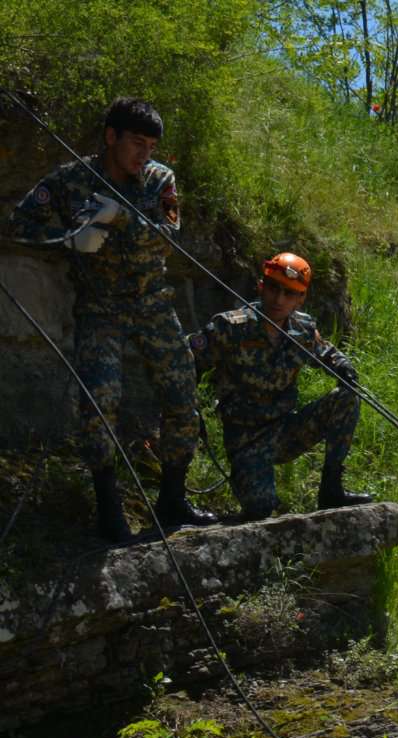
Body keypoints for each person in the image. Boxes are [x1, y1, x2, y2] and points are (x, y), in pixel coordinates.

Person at [8, 96, 214, 541]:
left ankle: (173, 499)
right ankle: (108, 510)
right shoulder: (71, 180)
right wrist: (69, 238)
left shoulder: (160, 180)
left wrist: (120, 217)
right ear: (110, 137)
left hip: (152, 303)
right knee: (99, 400)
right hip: (99, 306)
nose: (144, 155)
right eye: (136, 143)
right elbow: (18, 225)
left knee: (182, 393)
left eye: (151, 146)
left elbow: (168, 238)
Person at [186, 252, 368, 519]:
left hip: (285, 430)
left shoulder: (303, 329)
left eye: (289, 293)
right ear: (261, 285)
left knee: (347, 397)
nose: (278, 299)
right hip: (246, 440)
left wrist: (343, 367)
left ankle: (331, 488)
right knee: (261, 507)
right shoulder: (230, 327)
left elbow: (327, 352)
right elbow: (187, 361)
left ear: (300, 298)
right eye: (273, 288)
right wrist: (191, 407)